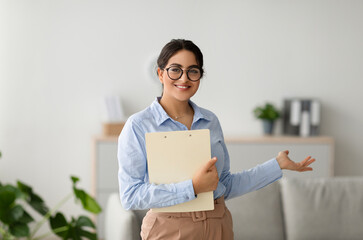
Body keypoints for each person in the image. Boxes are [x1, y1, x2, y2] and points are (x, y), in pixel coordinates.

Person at [117, 39, 315, 240]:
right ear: (160, 74)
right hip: (168, 229)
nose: (184, 78)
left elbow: (225, 184)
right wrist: (192, 187)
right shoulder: (139, 125)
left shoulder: (210, 121)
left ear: (200, 76)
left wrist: (277, 165)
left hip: (218, 225)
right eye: (175, 70)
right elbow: (130, 195)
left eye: (193, 71)